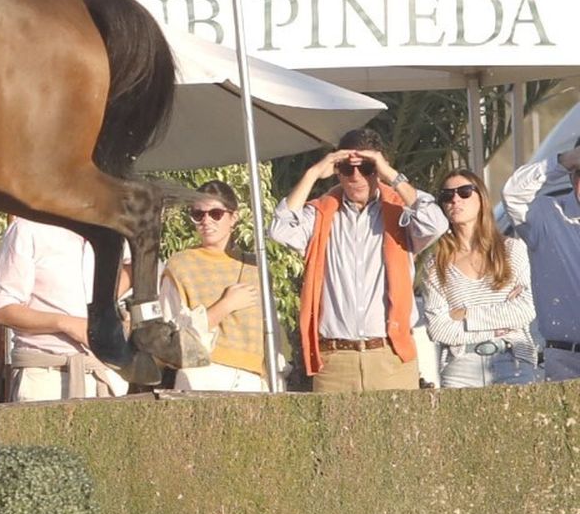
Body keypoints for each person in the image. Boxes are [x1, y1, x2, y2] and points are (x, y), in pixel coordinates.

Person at [269, 128, 447, 392]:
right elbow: (280, 230)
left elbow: (435, 223)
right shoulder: (321, 213)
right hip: (334, 360)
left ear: (379, 169)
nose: (356, 176)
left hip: (390, 355)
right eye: (347, 168)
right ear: (337, 170)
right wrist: (313, 173)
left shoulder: (400, 211)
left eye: (366, 168)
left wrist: (391, 174)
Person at [159, 182, 283, 393]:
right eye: (198, 214)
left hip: (253, 377)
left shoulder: (256, 267)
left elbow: (272, 332)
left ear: (233, 217)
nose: (206, 221)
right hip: (201, 372)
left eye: (215, 214)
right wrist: (225, 306)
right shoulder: (180, 265)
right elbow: (169, 333)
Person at [0, 218, 131, 400]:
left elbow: (133, 266)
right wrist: (67, 324)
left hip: (105, 375)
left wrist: (104, 298)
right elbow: (2, 308)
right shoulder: (28, 228)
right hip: (47, 377)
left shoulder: (111, 227)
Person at [421, 170, 538, 387]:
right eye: (447, 195)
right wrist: (499, 325)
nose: (455, 199)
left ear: (481, 198)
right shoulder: (436, 263)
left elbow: (525, 310)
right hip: (460, 367)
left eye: (464, 192)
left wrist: (464, 314)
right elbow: (438, 329)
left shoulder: (511, 250)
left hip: (513, 359)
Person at [502, 142, 580, 381]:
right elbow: (513, 194)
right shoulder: (548, 214)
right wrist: (564, 160)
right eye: (579, 172)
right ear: (571, 175)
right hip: (567, 360)